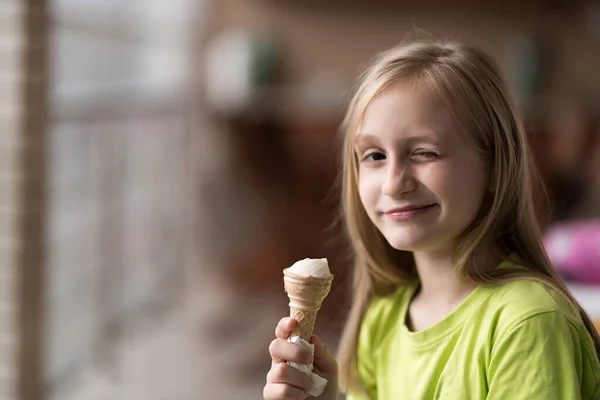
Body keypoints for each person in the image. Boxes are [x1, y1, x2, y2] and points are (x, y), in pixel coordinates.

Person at [263, 40, 600, 400]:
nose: (394, 183)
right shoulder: (385, 318)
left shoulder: (527, 322)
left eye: (425, 152)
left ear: (496, 168)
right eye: (375, 155)